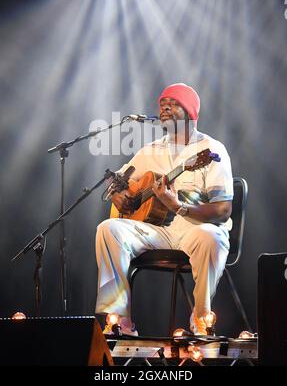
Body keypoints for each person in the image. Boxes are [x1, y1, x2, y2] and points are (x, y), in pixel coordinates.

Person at [95, 83, 233, 335]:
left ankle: (201, 318)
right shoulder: (150, 150)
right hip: (160, 233)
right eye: (162, 104)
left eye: (173, 103)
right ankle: (120, 323)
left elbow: (223, 210)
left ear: (190, 111)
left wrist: (179, 207)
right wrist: (117, 194)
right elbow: (115, 178)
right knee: (108, 228)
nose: (165, 107)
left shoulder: (211, 150)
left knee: (210, 236)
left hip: (196, 231)